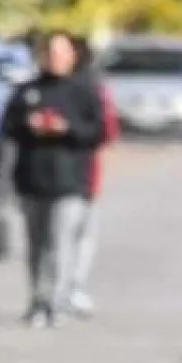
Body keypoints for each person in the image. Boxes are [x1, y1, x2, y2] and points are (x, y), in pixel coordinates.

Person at [1, 30, 104, 328]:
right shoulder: (27, 91)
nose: (55, 59)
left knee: (61, 244)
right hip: (32, 180)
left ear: (72, 56)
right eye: (51, 53)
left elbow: (97, 132)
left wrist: (66, 128)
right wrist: (29, 125)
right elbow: (8, 127)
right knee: (36, 245)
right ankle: (38, 300)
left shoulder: (84, 91)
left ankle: (56, 302)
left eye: (61, 53)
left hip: (70, 181)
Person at [67, 35, 120, 318]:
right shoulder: (38, 86)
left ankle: (71, 288)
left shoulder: (92, 88)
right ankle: (59, 290)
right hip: (47, 176)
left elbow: (107, 130)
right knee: (65, 237)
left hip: (83, 173)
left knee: (79, 234)